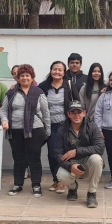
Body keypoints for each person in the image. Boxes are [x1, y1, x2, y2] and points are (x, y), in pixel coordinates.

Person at [1, 64, 51, 197]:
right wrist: (4, 120)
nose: (24, 78)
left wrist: (48, 130)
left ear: (32, 77)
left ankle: (36, 185)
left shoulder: (39, 93)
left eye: (27, 75)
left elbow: (46, 113)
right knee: (18, 158)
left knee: (34, 158)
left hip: (35, 130)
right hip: (15, 130)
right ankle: (18, 184)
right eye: (22, 75)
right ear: (18, 77)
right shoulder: (11, 93)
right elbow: (4, 110)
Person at [54, 101, 105, 208]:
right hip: (71, 164)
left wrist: (76, 151)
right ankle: (72, 189)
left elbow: (100, 147)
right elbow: (57, 153)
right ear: (68, 114)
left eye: (79, 112)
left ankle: (91, 193)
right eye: (73, 112)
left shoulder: (92, 126)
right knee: (61, 174)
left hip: (88, 163)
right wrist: (69, 166)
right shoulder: (62, 129)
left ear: (84, 113)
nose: (76, 115)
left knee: (97, 159)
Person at [38, 61, 79, 194]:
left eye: (60, 70)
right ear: (50, 71)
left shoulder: (69, 85)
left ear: (64, 72)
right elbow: (31, 94)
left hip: (66, 126)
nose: (57, 72)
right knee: (52, 154)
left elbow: (77, 103)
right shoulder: (44, 86)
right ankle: (57, 180)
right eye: (54, 69)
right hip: (50, 126)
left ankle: (63, 181)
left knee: (64, 154)